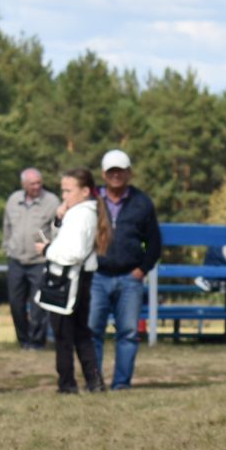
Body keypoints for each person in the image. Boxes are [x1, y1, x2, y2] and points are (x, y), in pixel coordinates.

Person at [88, 148, 161, 391]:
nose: (116, 175)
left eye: (120, 171)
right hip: (97, 275)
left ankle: (121, 383)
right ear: (103, 174)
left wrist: (142, 269)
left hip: (130, 276)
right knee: (92, 330)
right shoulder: (91, 200)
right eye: (111, 171)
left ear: (129, 173)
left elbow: (154, 242)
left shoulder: (141, 202)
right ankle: (94, 381)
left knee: (128, 332)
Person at [34, 168, 107, 394]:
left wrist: (47, 250)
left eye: (68, 190)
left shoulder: (81, 215)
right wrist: (59, 220)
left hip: (70, 281)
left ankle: (67, 384)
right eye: (62, 190)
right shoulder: (81, 212)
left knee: (64, 335)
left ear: (85, 191)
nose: (64, 196)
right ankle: (93, 381)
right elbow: (66, 242)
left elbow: (72, 252)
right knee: (80, 332)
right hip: (79, 278)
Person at [2, 167, 58, 349]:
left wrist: (53, 252)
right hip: (16, 260)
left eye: (39, 182)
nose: (37, 186)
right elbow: (7, 226)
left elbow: (57, 230)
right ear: (23, 185)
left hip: (39, 262)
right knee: (15, 303)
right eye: (32, 183)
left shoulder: (51, 201)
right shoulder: (12, 200)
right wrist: (6, 247)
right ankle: (22, 340)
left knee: (38, 306)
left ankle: (36, 342)